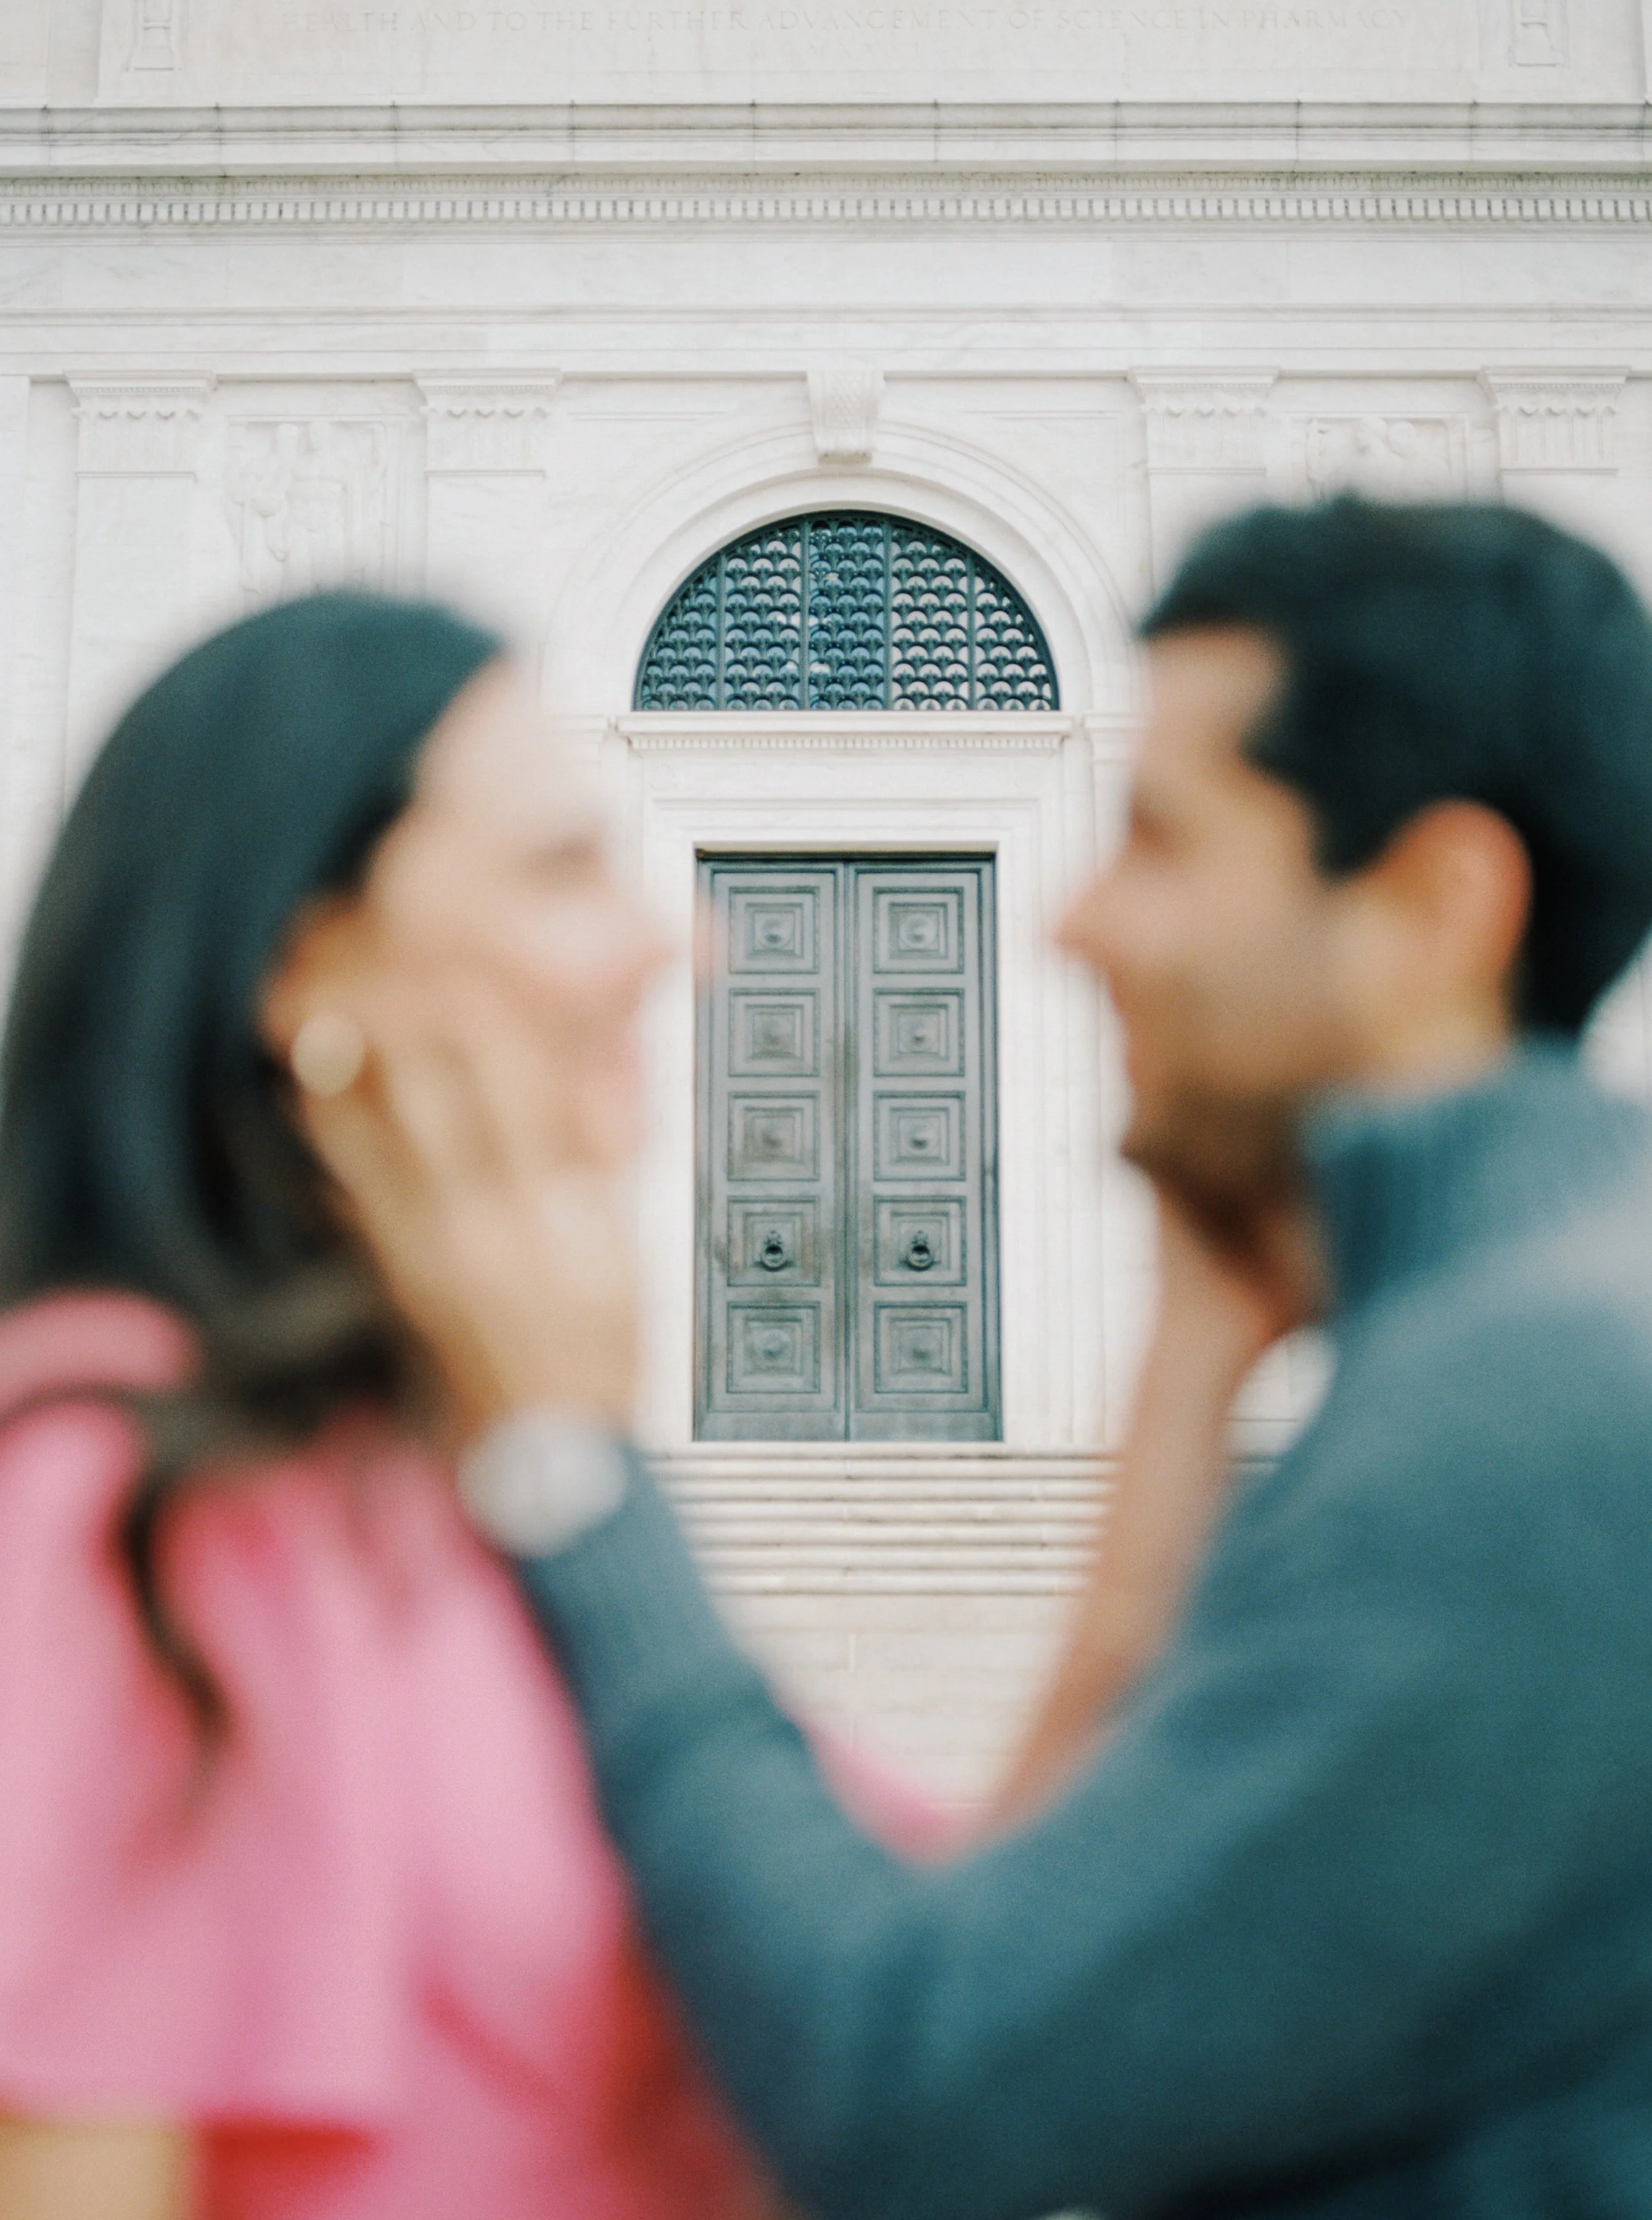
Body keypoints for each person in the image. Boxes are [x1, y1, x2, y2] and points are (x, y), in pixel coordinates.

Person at [295, 498, 1652, 2220]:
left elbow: (911, 2092)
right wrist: (1181, 1375)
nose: (1066, 920)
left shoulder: (1524, 1433)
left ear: (1431, 902)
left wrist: (571, 1463)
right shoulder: (1523, 1341)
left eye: (1156, 842)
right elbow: (1042, 1958)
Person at [0, 592, 815, 2219]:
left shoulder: (466, 1456)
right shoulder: (122, 1489)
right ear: (308, 962)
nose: (684, 939)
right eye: (562, 869)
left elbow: (938, 2011)